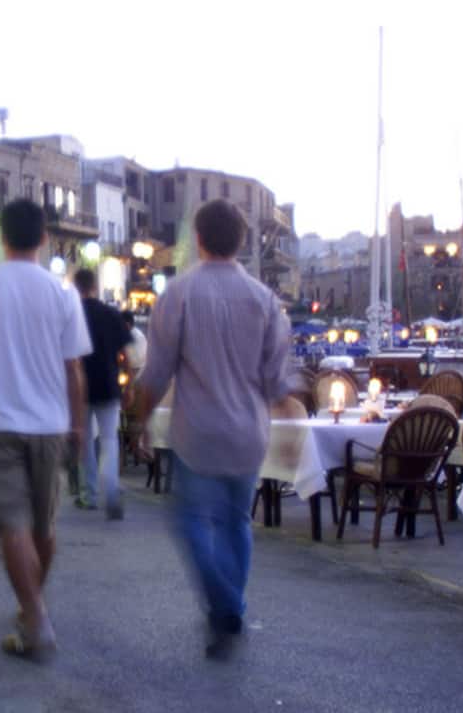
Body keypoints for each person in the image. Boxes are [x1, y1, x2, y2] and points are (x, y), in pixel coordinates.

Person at [134, 200, 292, 660]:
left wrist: (141, 423)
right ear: (241, 242)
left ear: (198, 238)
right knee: (235, 521)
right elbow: (276, 379)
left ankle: (223, 603)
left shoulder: (178, 294)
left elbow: (156, 373)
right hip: (248, 434)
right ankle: (232, 606)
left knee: (189, 521)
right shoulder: (264, 300)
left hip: (197, 433)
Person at [0, 198, 91, 660]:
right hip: (50, 423)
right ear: (44, 238)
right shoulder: (63, 293)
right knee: (42, 525)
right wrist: (78, 424)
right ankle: (32, 612)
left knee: (12, 524)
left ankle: (34, 616)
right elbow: (74, 370)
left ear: (1, 237)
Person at [72, 268, 131, 518]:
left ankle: (89, 495)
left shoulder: (72, 313)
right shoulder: (111, 314)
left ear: (75, 287)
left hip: (80, 388)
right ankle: (112, 493)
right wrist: (128, 386)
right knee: (109, 440)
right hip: (108, 384)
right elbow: (125, 354)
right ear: (95, 286)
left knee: (85, 441)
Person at [122, 310, 147, 379]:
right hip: (141, 368)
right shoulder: (138, 333)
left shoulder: (130, 336)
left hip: (135, 370)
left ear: (127, 324)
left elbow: (129, 360)